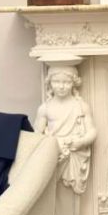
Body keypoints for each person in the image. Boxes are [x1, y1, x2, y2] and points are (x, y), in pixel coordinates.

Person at [34, 65, 98, 195]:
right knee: (54, 193)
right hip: (54, 154)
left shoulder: (81, 106)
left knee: (71, 195)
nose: (61, 86)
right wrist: (52, 144)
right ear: (50, 83)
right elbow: (36, 136)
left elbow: (92, 131)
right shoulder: (45, 108)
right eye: (56, 82)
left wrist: (81, 142)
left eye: (66, 82)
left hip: (75, 154)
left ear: (74, 83)